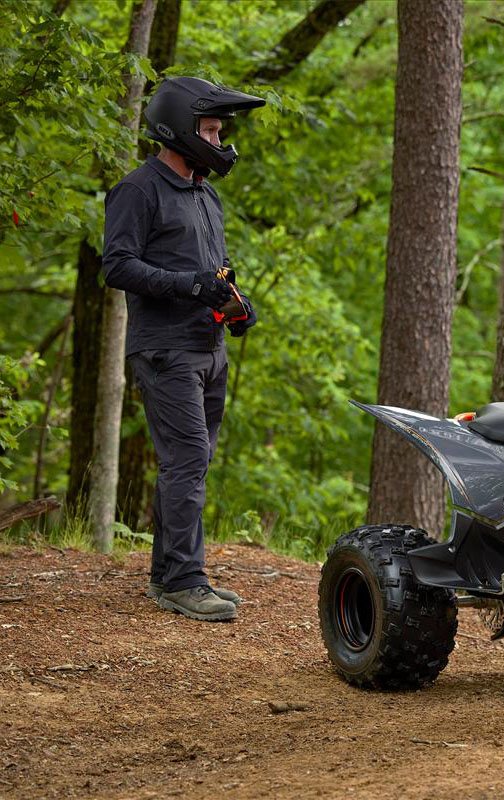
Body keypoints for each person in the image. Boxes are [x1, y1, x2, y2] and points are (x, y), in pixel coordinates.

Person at [102, 76, 265, 622]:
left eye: (220, 132)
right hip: (165, 350)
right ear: (180, 130)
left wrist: (234, 305)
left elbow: (210, 272)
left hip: (207, 346)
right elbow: (117, 266)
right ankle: (184, 581)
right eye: (212, 131)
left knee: (190, 463)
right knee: (187, 458)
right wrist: (191, 285)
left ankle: (167, 573)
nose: (220, 142)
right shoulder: (138, 189)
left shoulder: (205, 193)